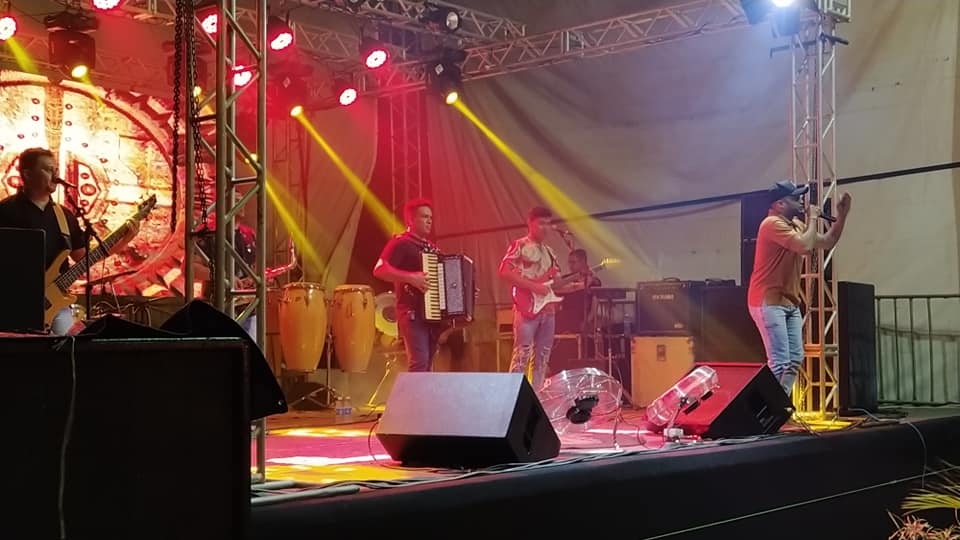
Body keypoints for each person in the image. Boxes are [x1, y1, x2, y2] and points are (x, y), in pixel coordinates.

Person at [0, 147, 137, 335]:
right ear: (27, 174)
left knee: (69, 348)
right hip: (14, 304)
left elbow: (83, 258)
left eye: (55, 169)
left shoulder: (64, 215)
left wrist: (124, 240)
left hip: (56, 305)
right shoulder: (6, 211)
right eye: (48, 169)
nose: (55, 174)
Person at [747, 180, 851, 396]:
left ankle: (779, 406)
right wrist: (812, 218)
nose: (801, 201)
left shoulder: (795, 225)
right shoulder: (771, 224)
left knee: (794, 360)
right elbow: (804, 246)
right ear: (780, 204)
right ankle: (766, 408)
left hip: (789, 302)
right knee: (780, 362)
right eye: (795, 198)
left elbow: (828, 242)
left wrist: (842, 216)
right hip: (768, 301)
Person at [498, 206, 565, 391]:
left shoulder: (550, 252)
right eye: (541, 223)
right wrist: (533, 286)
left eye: (548, 224)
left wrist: (579, 284)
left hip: (548, 311)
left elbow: (556, 283)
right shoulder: (519, 245)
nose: (545, 228)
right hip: (526, 308)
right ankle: (513, 396)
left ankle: (536, 396)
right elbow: (504, 271)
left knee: (542, 358)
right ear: (530, 223)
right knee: (522, 355)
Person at [373, 198, 441, 372]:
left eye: (430, 218)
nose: (429, 221)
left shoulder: (431, 248)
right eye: (424, 217)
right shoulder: (401, 242)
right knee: (419, 362)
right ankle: (414, 391)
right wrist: (411, 278)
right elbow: (380, 269)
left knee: (428, 364)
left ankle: (423, 391)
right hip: (411, 312)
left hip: (431, 313)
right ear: (411, 219)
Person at [556, 248, 603, 336]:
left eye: (573, 262)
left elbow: (595, 305)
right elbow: (557, 301)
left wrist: (587, 321)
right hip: (565, 318)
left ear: (583, 262)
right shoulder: (565, 279)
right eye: (569, 262)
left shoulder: (594, 282)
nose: (570, 265)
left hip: (581, 318)